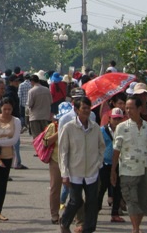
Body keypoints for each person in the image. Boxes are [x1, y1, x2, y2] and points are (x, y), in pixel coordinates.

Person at [111, 96, 147, 233]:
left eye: (131, 108)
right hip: (127, 170)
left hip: (145, 169)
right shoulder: (121, 127)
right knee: (131, 201)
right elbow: (116, 150)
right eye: (127, 108)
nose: (128, 111)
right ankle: (135, 229)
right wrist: (113, 170)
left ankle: (137, 226)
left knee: (143, 202)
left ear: (140, 109)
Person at [58, 96, 105, 233]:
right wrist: (64, 174)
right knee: (75, 201)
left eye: (88, 108)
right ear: (76, 109)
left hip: (92, 171)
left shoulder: (95, 127)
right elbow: (63, 152)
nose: (86, 111)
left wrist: (98, 163)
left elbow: (101, 147)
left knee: (92, 202)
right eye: (83, 108)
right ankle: (65, 222)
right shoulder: (69, 127)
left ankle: (88, 229)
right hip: (74, 172)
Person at [42, 101, 72, 225]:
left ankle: (74, 214)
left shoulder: (75, 126)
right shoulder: (52, 126)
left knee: (75, 189)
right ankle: (54, 215)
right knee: (55, 188)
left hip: (72, 160)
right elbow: (45, 142)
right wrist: (59, 132)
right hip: (56, 160)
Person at [96, 107, 125, 223]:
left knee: (117, 189)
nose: (117, 121)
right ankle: (95, 211)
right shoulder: (102, 130)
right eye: (115, 119)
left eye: (119, 119)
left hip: (118, 162)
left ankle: (115, 213)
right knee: (101, 189)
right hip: (104, 163)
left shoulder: (123, 131)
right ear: (110, 119)